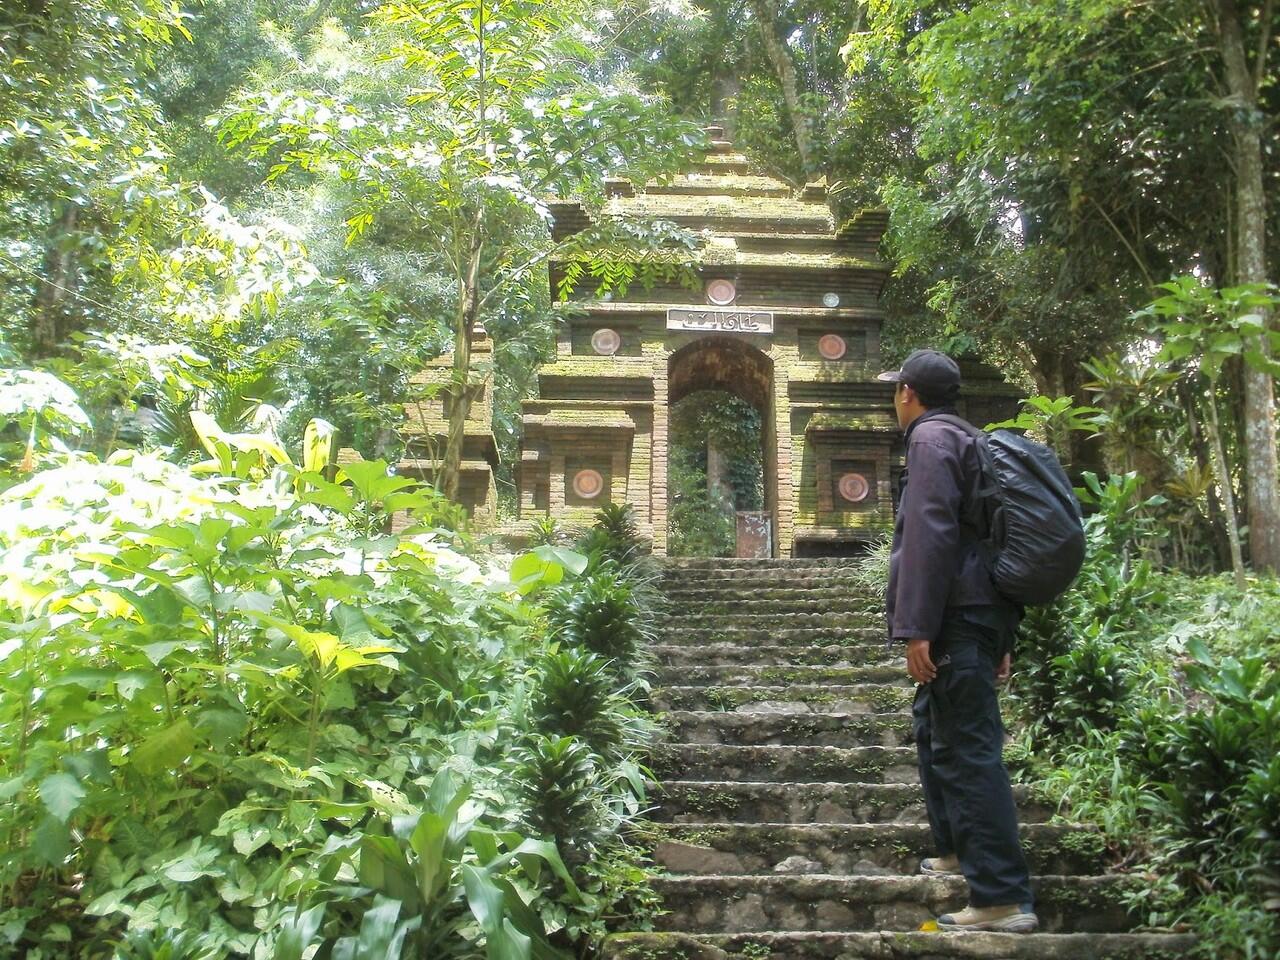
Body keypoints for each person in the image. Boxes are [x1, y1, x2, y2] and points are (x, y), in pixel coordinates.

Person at [878, 349, 1038, 933]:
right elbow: (992, 539)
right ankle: (952, 847)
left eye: (895, 389)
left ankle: (999, 894)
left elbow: (929, 531)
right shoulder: (971, 440)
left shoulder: (929, 440)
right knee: (935, 731)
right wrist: (1001, 632)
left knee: (968, 750)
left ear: (907, 392)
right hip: (979, 611)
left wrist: (916, 625)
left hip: (954, 616)